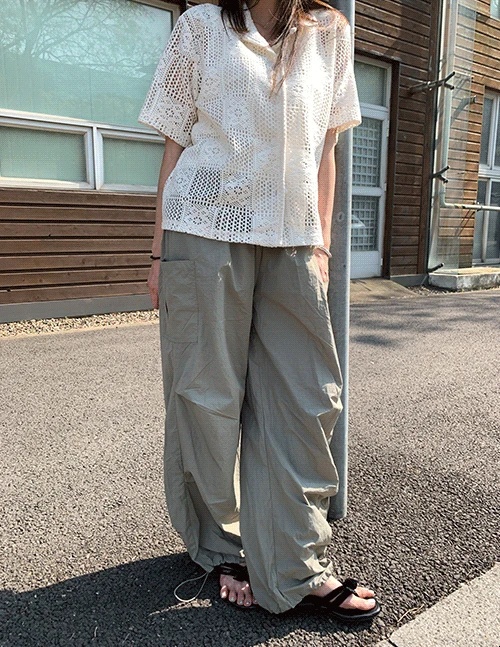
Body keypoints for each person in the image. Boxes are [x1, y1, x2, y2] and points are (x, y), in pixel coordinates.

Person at [138, 0, 380, 622]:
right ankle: (223, 549)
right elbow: (174, 146)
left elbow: (325, 150)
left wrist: (321, 247)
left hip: (293, 240)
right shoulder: (200, 26)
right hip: (202, 229)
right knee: (205, 395)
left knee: (306, 398)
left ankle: (295, 564)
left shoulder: (330, 33)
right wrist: (159, 255)